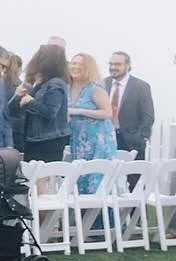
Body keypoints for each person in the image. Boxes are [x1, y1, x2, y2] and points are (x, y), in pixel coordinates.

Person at [67, 52, 117, 194]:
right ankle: (81, 216)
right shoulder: (67, 88)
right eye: (74, 63)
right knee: (80, 179)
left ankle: (101, 216)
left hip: (99, 142)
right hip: (79, 141)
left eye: (80, 64)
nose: (76, 67)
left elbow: (107, 113)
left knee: (96, 182)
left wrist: (79, 111)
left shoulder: (95, 88)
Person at [12, 45, 69, 163]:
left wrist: (30, 101)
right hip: (35, 138)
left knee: (41, 176)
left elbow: (50, 111)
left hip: (48, 139)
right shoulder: (40, 83)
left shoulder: (55, 84)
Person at [105, 52, 155, 159]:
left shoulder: (141, 87)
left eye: (118, 64)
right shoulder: (103, 84)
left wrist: (142, 137)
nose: (113, 67)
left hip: (131, 141)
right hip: (106, 138)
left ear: (128, 66)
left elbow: (148, 116)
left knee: (133, 173)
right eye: (111, 64)